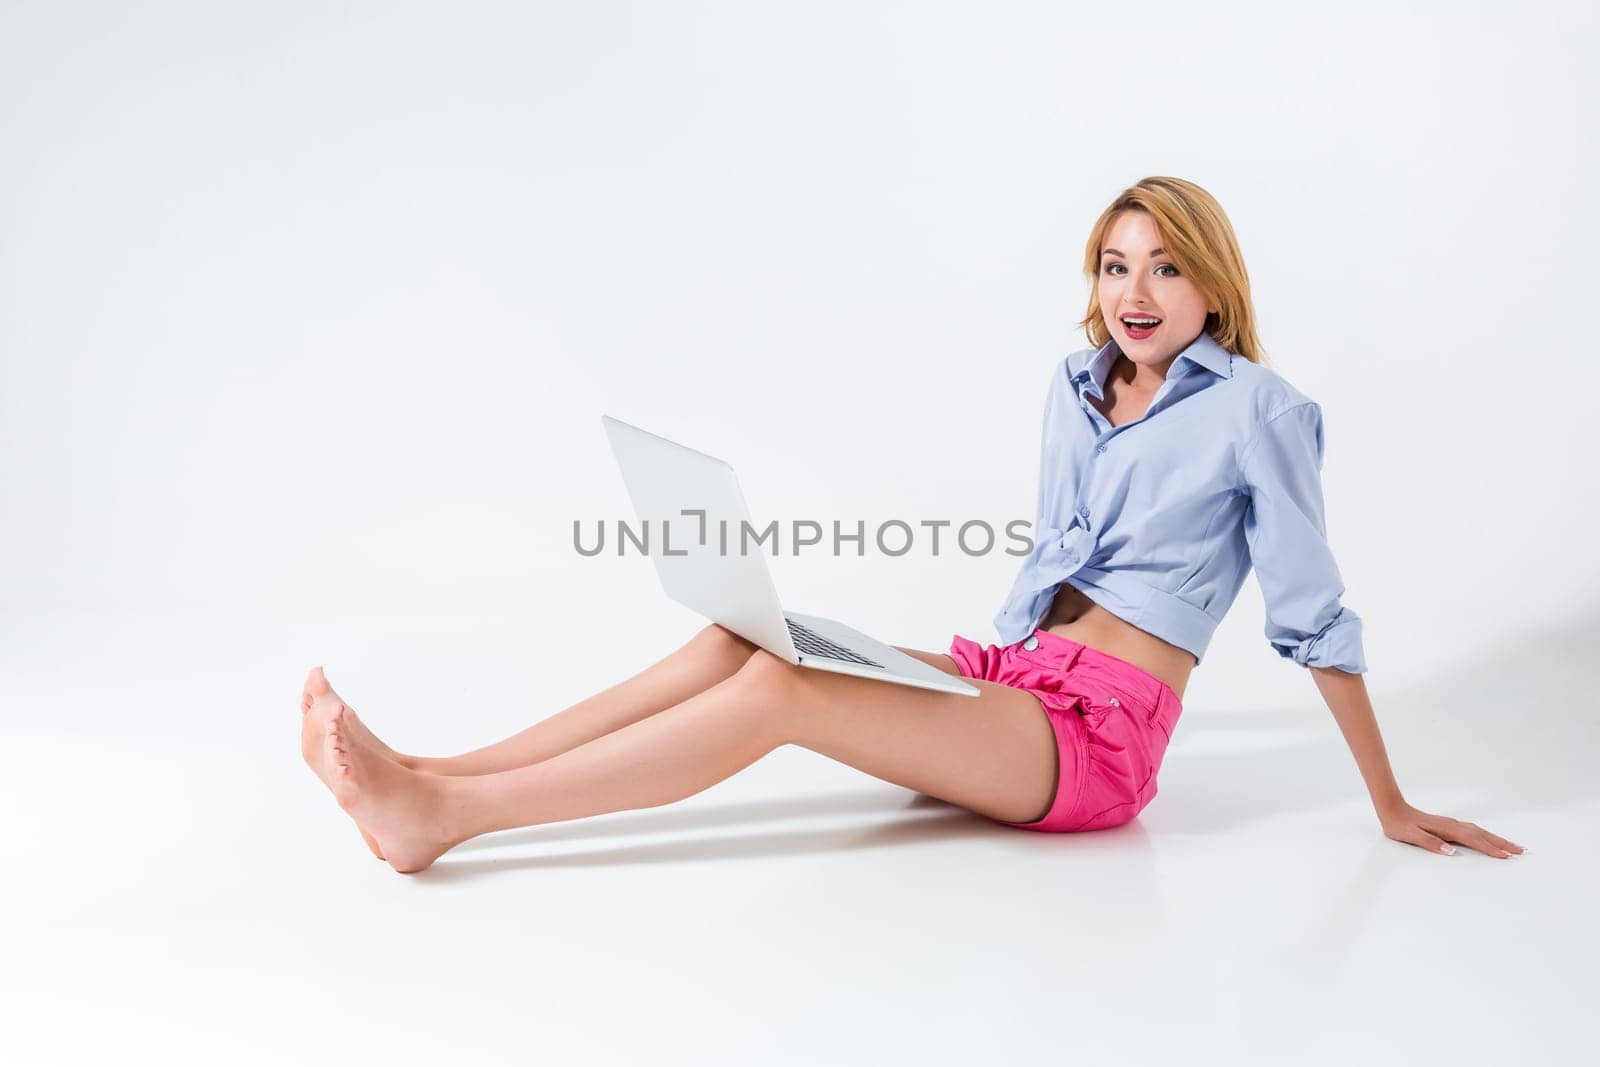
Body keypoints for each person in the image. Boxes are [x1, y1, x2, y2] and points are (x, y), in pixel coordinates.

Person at [299, 175, 1526, 873]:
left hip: (1097, 740)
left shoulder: (1263, 409)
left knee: (786, 695)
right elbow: (1059, 548)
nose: (1134, 293)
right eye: (1113, 265)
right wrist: (955, 672)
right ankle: (432, 769)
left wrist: (1387, 797)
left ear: (1211, 278)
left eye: (1162, 267)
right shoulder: (1078, 383)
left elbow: (1312, 610)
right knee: (748, 638)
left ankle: (447, 819)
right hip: (1019, 681)